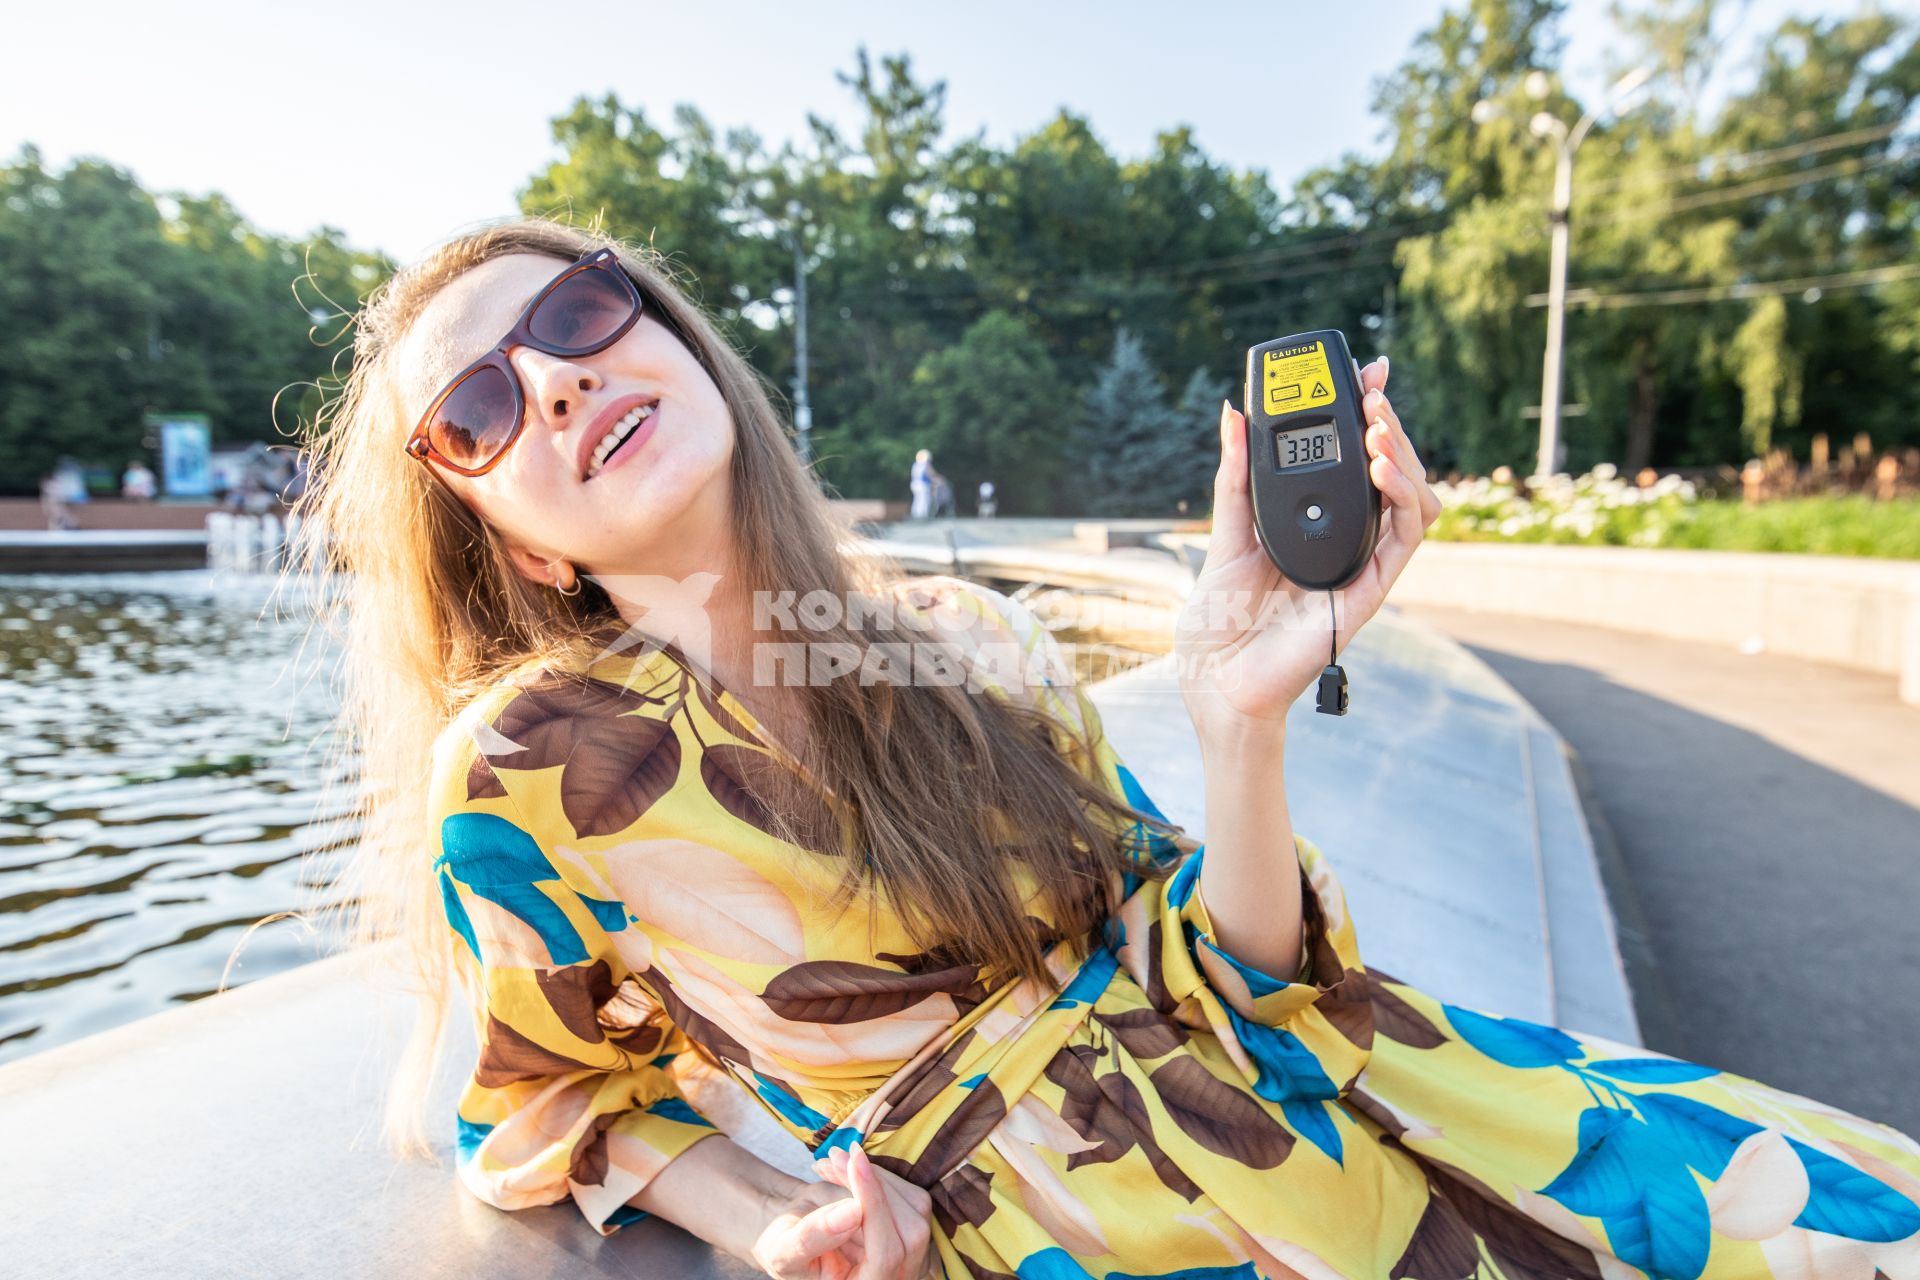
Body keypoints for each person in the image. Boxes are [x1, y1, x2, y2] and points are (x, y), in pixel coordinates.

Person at [289, 220, 1920, 1280]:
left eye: (581, 313)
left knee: (1853, 1218)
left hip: (1371, 1086)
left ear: (677, 342)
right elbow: (542, 1106)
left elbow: (1244, 964)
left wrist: (1241, 724)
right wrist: (779, 1214)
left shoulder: (965, 631)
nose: (560, 377)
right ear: (514, 545)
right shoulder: (536, 766)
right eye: (481, 415)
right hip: (1097, 1228)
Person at [910, 449, 933, 520]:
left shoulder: (915, 465)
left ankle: (915, 514)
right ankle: (923, 515)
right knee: (924, 499)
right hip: (922, 484)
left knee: (916, 499)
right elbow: (929, 475)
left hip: (914, 483)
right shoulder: (925, 465)